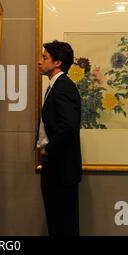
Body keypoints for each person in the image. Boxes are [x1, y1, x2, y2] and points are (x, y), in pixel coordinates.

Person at [36, 40, 82, 236]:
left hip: (60, 169)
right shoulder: (57, 86)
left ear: (58, 63)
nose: (39, 61)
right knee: (57, 223)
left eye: (44, 58)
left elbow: (69, 127)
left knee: (62, 225)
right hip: (57, 167)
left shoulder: (63, 87)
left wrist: (49, 149)